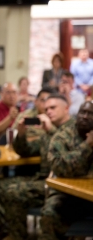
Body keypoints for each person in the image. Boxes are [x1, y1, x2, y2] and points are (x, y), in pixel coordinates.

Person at [0, 92, 66, 240]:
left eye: (53, 107)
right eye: (46, 108)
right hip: (43, 179)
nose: (48, 111)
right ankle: (11, 231)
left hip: (61, 184)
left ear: (66, 108)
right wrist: (20, 135)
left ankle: (16, 234)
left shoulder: (72, 128)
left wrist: (50, 129)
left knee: (13, 192)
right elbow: (27, 150)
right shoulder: (47, 131)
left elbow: (68, 155)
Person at [39, 101, 93, 239]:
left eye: (90, 114)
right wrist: (87, 145)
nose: (85, 117)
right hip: (67, 195)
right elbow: (60, 167)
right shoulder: (63, 135)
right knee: (49, 215)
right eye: (82, 112)